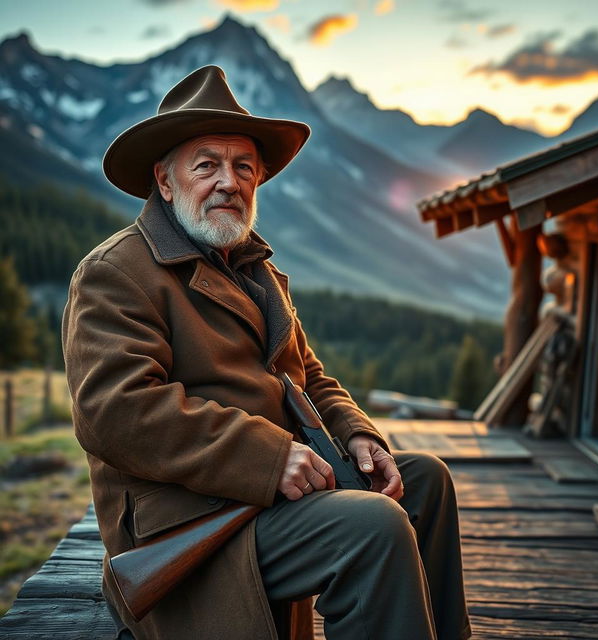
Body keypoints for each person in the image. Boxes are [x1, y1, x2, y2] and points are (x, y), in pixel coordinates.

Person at [62, 66, 471, 640]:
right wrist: (268, 457)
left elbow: (312, 379)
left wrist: (358, 435)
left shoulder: (259, 273)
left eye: (243, 167)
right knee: (373, 527)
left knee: (424, 480)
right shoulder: (116, 272)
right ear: (165, 179)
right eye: (207, 165)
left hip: (269, 498)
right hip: (192, 519)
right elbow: (115, 413)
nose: (229, 182)